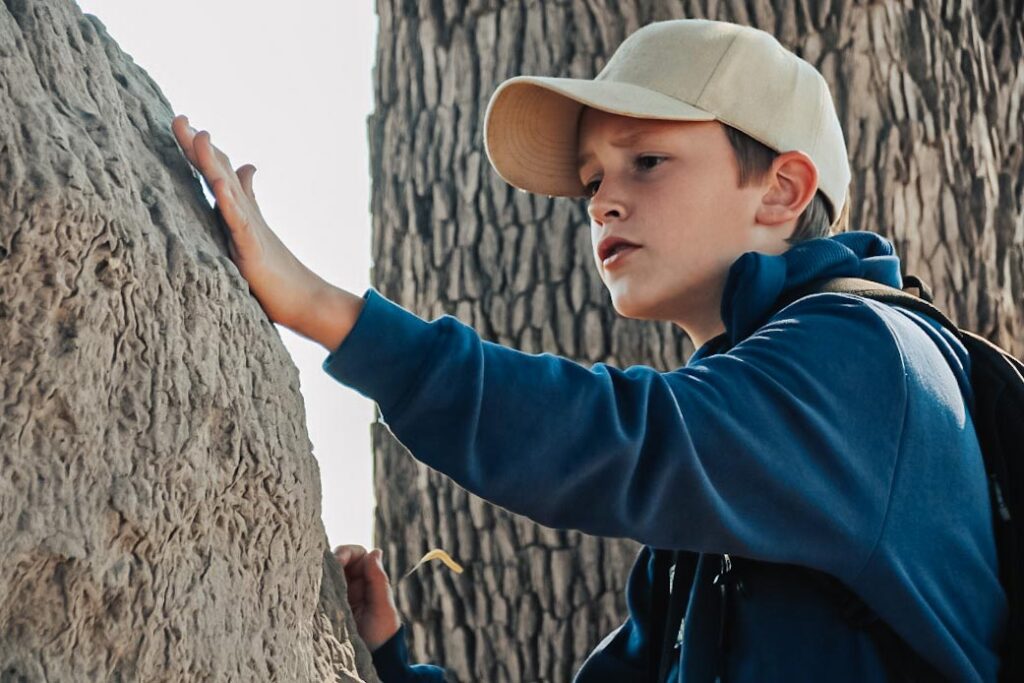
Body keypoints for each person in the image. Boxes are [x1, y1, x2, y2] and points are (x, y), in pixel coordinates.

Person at [170, 18, 1006, 682]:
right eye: (593, 179)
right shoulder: (719, 497)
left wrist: (323, 307)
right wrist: (387, 658)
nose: (604, 202)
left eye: (646, 160)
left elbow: (623, 439)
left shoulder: (869, 357)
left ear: (781, 190)